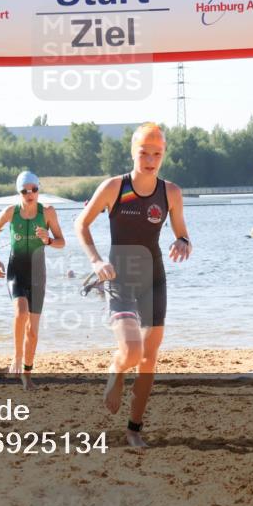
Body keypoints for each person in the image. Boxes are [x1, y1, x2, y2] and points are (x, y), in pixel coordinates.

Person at [75, 122, 191, 447]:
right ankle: (116, 367)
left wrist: (182, 242)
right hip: (120, 279)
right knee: (131, 352)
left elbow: (182, 232)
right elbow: (80, 224)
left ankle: (134, 429)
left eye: (157, 153)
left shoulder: (171, 193)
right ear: (133, 152)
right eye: (144, 153)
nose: (151, 159)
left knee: (149, 359)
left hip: (153, 280)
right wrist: (96, 261)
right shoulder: (115, 188)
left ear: (163, 155)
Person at [0, 171, 65, 390]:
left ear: (39, 190)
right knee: (20, 311)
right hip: (16, 271)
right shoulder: (11, 212)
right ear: (19, 193)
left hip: (38, 275)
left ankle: (27, 374)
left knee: (32, 331)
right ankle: (16, 356)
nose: (30, 194)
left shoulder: (48, 212)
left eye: (34, 189)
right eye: (25, 191)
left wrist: (48, 240)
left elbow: (62, 242)